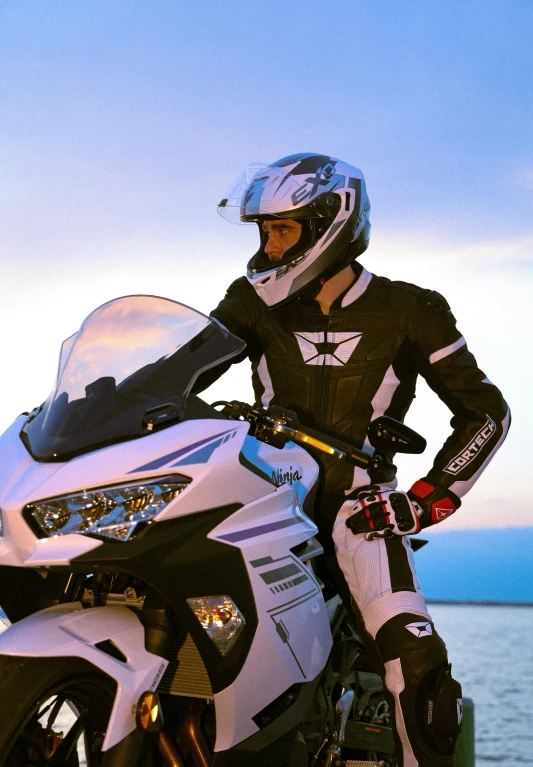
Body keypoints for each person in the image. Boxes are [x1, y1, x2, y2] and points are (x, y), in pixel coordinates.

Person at [210, 153, 510, 766]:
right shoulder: (248, 300)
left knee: (415, 658)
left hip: (361, 511)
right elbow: (179, 375)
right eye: (264, 232)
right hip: (262, 501)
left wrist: (427, 500)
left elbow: (487, 414)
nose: (268, 247)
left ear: (330, 225)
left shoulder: (411, 308)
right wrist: (109, 399)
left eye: (281, 230)